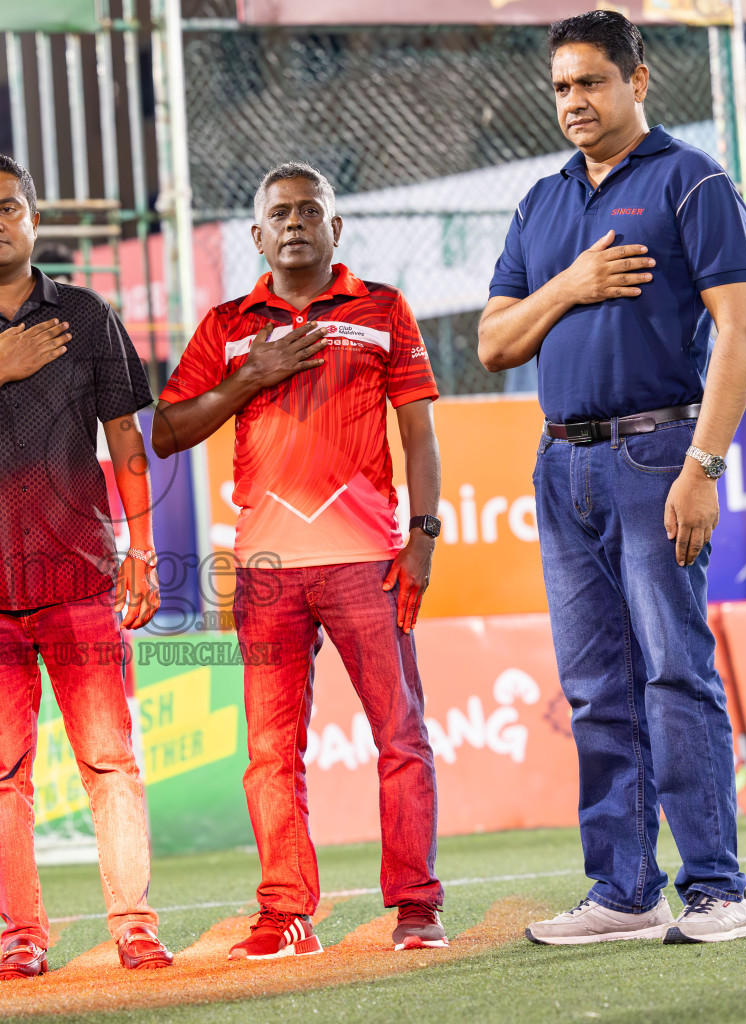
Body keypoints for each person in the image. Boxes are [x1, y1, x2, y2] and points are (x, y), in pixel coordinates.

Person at [479, 11, 746, 946]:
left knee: (675, 674)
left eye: (592, 83)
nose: (575, 102)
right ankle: (625, 894)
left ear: (638, 81)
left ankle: (719, 891)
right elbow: (493, 343)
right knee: (598, 687)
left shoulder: (692, 181)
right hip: (560, 463)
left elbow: (745, 327)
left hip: (658, 457)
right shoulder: (541, 203)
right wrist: (572, 283)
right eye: (561, 86)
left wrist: (703, 466)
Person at [0, 151, 170, 980]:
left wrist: (143, 550)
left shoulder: (87, 314)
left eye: (7, 208)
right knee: (2, 775)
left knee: (111, 762)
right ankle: (24, 937)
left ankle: (136, 928)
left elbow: (127, 442)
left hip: (81, 580)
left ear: (33, 220)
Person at [153, 161, 448, 958]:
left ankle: (417, 908)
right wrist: (247, 379)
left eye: (308, 211)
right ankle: (287, 913)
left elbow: (420, 433)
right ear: (256, 235)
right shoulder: (227, 324)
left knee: (401, 736)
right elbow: (168, 431)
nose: (293, 223)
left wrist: (423, 533)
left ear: (334, 228)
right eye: (278, 213)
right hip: (266, 569)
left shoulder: (382, 309)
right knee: (269, 753)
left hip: (368, 561)